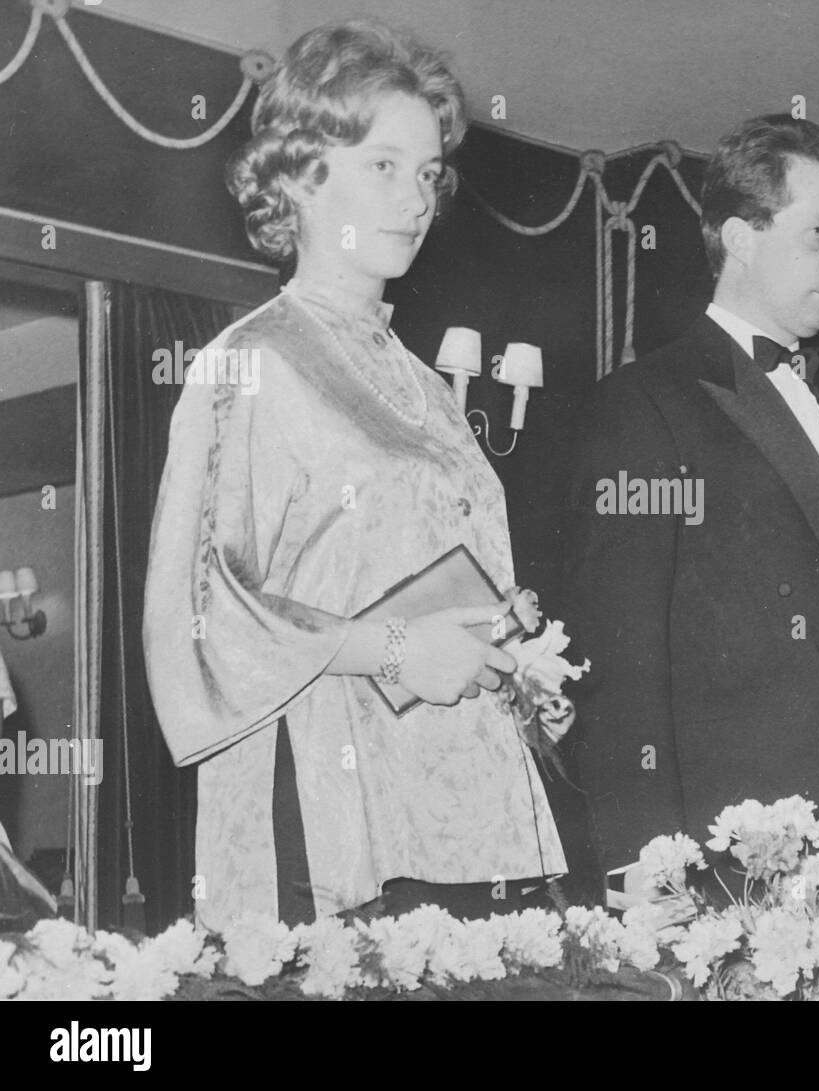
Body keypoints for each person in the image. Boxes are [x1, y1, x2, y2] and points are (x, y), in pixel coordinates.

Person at [143, 19, 566, 933]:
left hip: (452, 802)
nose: (417, 198)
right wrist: (403, 651)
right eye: (384, 165)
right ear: (298, 174)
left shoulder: (423, 382)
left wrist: (510, 658)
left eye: (427, 174)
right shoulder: (246, 364)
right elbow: (203, 609)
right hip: (323, 797)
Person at [561, 115, 819, 902]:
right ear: (741, 238)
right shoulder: (644, 405)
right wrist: (641, 855)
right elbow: (620, 649)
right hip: (721, 859)